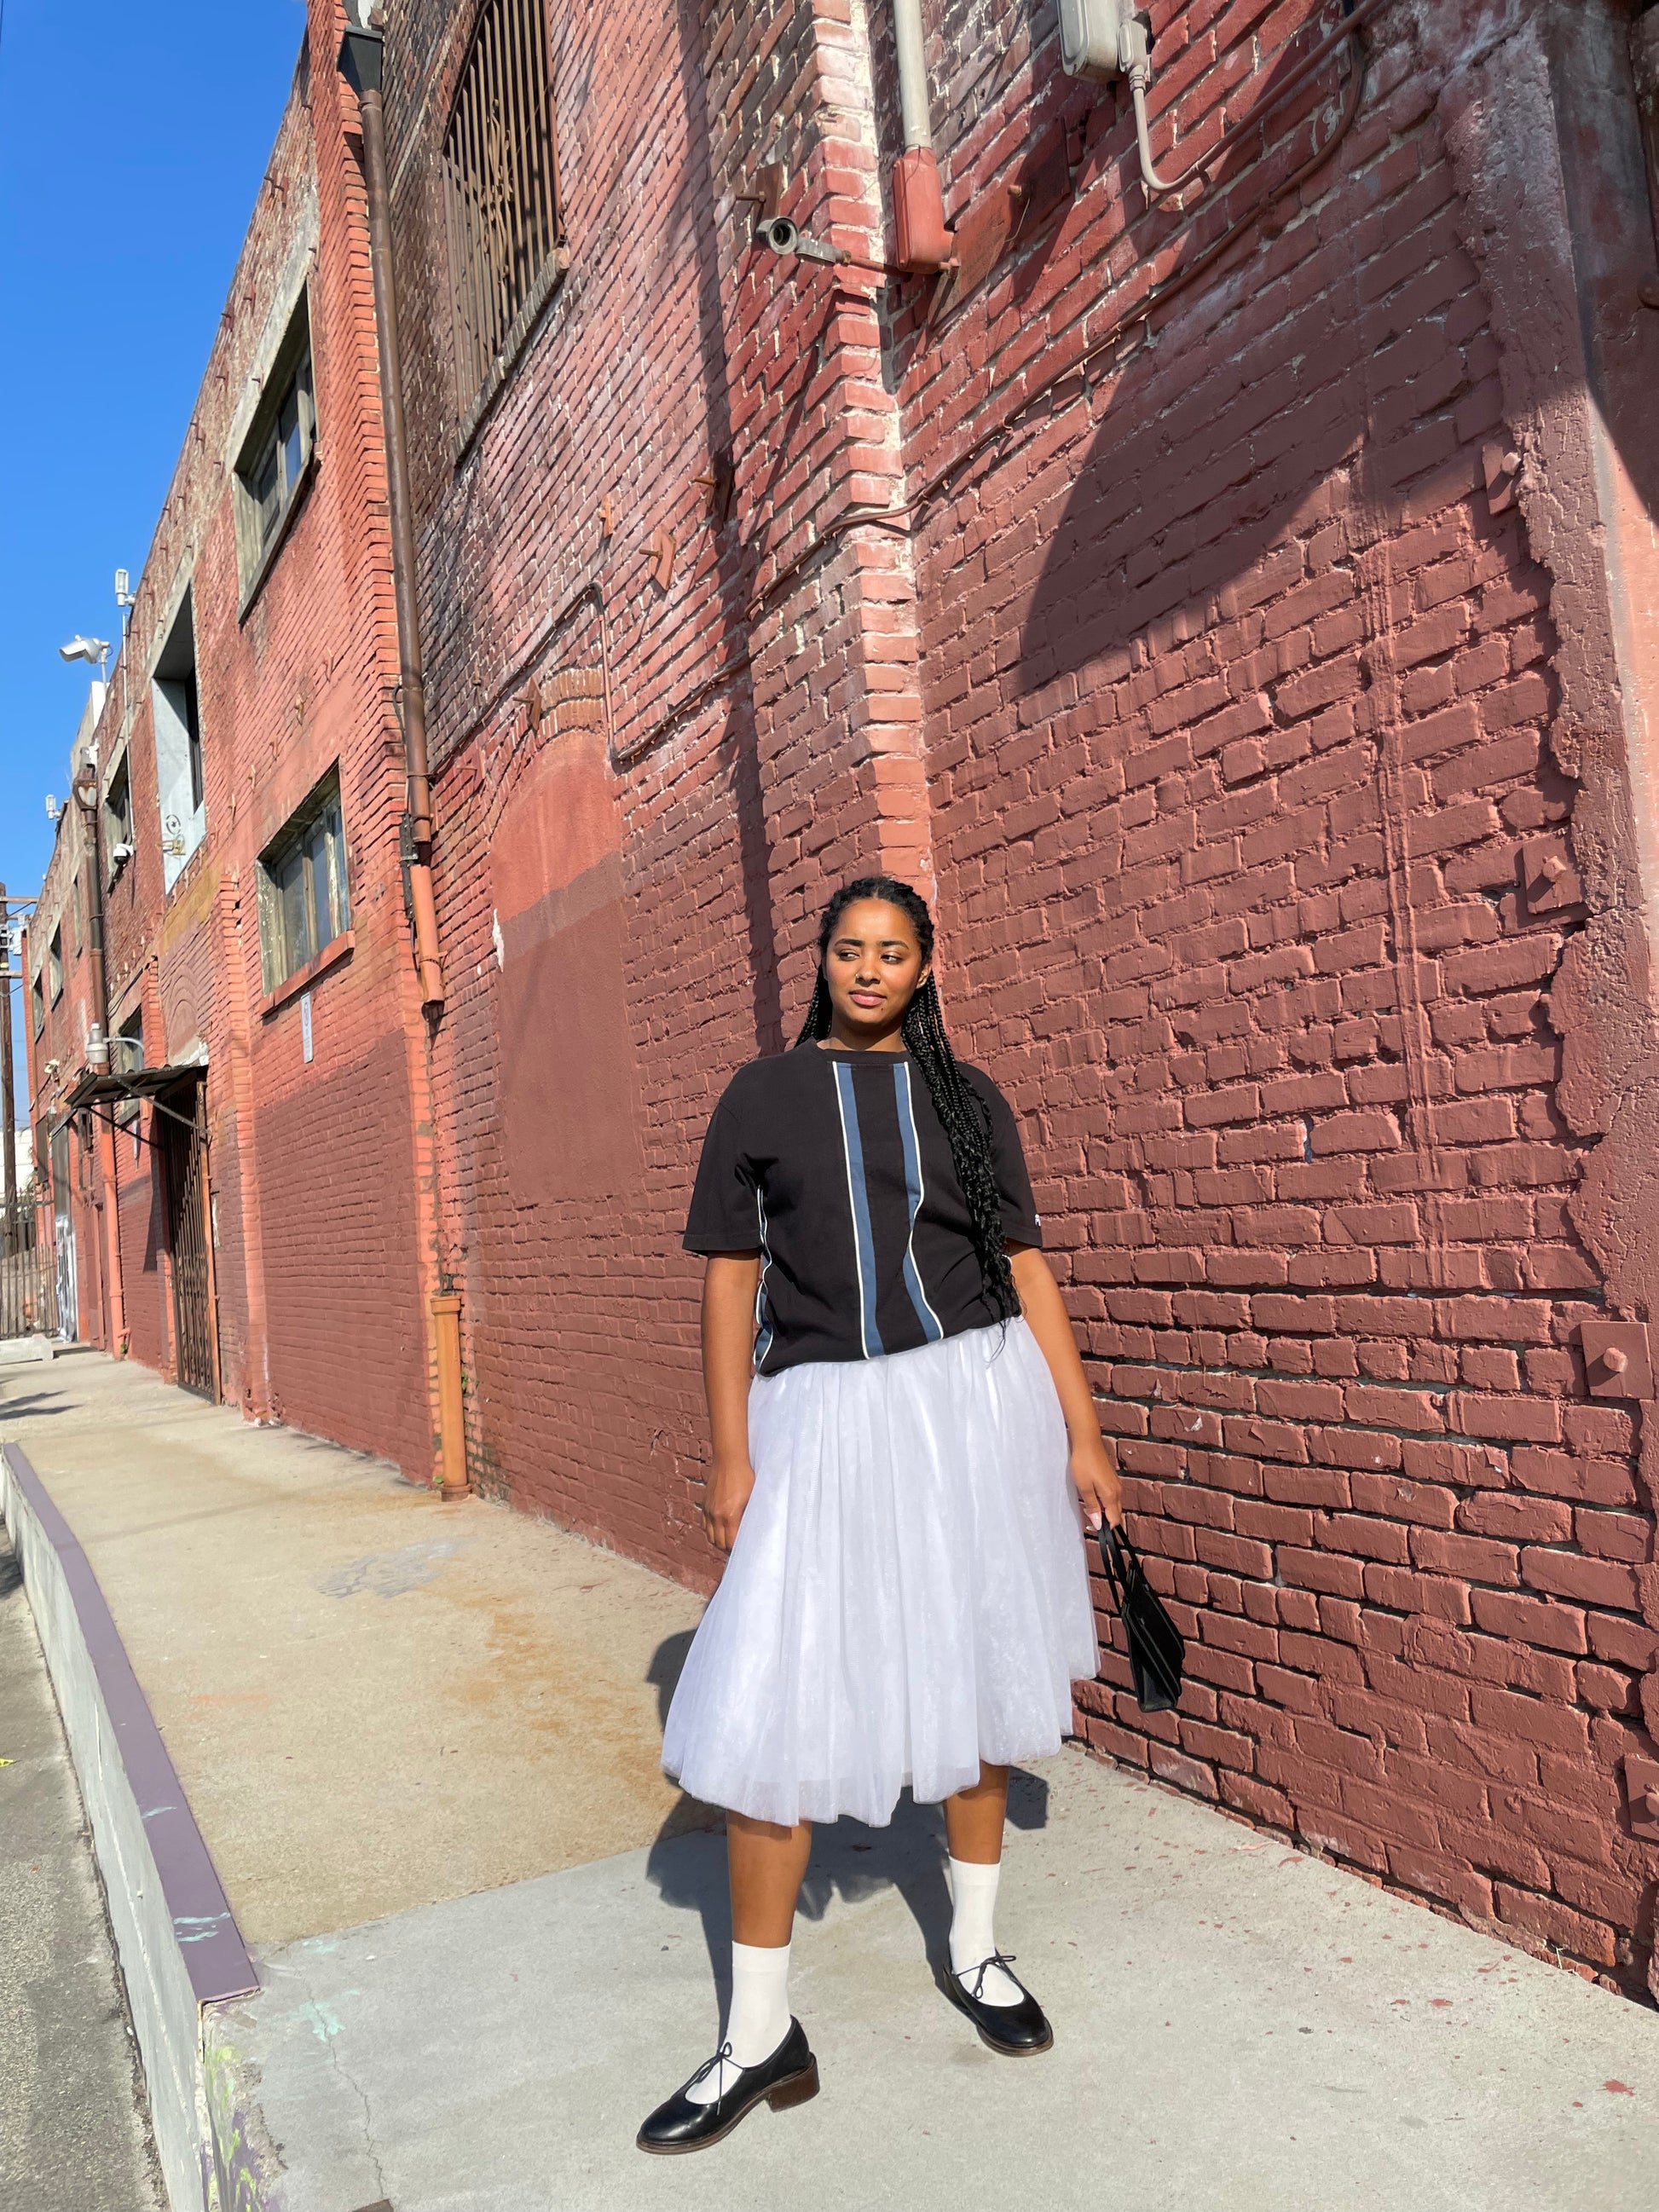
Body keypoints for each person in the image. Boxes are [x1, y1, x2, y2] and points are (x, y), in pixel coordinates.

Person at [637, 875, 1122, 2155]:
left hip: (973, 1407)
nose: (867, 968)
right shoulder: (762, 1094)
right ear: (825, 962)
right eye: (849, 949)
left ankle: (972, 1952)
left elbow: (1023, 1268)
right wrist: (730, 1453)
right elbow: (726, 1281)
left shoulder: (967, 1099)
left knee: (975, 1684)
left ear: (923, 967)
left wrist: (1079, 1430)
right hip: (819, 1421)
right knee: (771, 1714)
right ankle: (756, 2036)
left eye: (890, 951)